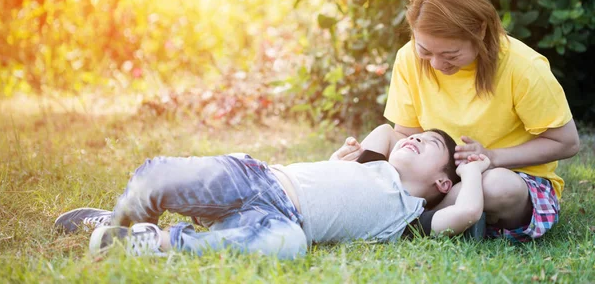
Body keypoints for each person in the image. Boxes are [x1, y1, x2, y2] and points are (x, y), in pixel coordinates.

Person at [331, 0, 580, 242]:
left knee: (495, 185)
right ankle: (347, 187)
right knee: (384, 134)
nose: (437, 64)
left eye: (450, 55)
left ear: (480, 32)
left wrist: (491, 158)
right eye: (425, 50)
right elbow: (405, 134)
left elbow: (566, 143)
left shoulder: (523, 67)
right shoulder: (408, 58)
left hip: (511, 175)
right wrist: (362, 159)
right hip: (443, 175)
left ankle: (415, 222)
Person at [55, 126, 490, 259]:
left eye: (429, 144)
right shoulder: (372, 164)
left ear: (441, 183)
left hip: (276, 220)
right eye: (416, 137)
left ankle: (153, 242)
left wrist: (474, 170)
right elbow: (387, 131)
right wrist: (344, 159)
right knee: (160, 178)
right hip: (258, 178)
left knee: (291, 246)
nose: (415, 140)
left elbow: (468, 212)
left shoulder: (412, 217)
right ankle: (120, 217)